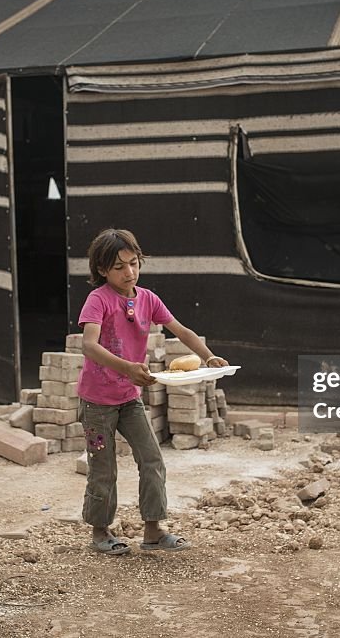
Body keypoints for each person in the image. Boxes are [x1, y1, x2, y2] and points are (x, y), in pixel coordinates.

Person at [76, 228, 229, 555]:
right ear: (102, 270)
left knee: (152, 459)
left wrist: (208, 356)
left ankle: (153, 530)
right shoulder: (98, 299)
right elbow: (89, 345)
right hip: (97, 402)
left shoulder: (148, 299)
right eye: (119, 267)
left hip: (129, 399)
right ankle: (100, 533)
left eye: (134, 263)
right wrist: (127, 368)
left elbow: (182, 330)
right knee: (104, 468)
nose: (129, 272)